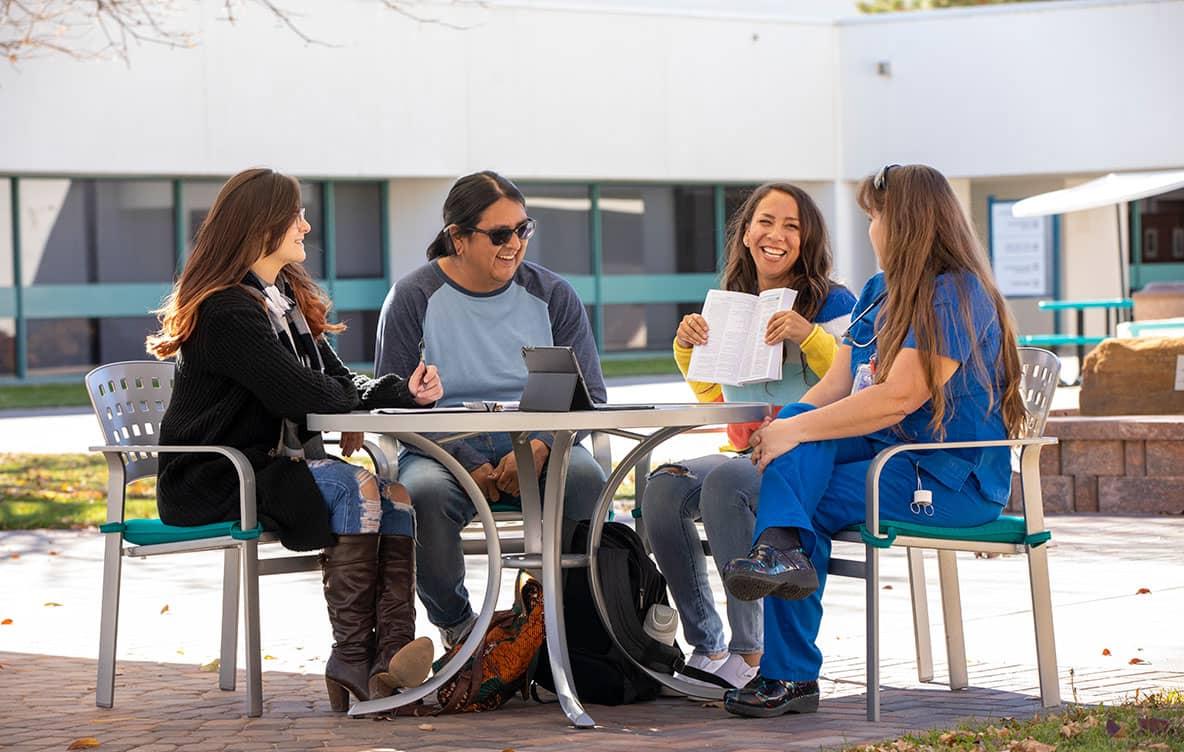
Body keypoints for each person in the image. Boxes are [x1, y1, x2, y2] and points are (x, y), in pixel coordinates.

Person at [720, 164, 1027, 717]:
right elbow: (836, 387)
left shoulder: (957, 294)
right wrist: (785, 427)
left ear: (903, 223)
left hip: (944, 475)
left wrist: (794, 429)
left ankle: (787, 668)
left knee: (798, 471)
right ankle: (782, 556)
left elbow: (898, 397)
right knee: (797, 432)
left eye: (874, 216)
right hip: (886, 458)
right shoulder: (878, 290)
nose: (870, 229)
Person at [147, 168, 443, 712]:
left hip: (268, 467)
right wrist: (348, 400)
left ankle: (390, 655)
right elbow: (298, 393)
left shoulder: (281, 298)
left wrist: (400, 390)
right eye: (296, 215)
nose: (306, 225)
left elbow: (334, 379)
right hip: (217, 476)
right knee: (359, 486)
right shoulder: (228, 309)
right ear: (261, 226)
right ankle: (352, 657)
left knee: (397, 495)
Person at [375, 170, 608, 649]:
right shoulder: (413, 297)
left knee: (585, 478)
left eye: (523, 230)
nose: (515, 244)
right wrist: (467, 462)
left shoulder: (553, 294)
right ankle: (462, 632)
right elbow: (391, 404)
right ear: (458, 238)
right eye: (500, 234)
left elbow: (592, 399)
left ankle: (552, 619)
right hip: (441, 444)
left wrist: (544, 445)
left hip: (539, 437)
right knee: (422, 493)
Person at [642, 183, 856, 690]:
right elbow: (715, 398)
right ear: (745, 233)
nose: (775, 235)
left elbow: (852, 384)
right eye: (765, 221)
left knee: (727, 484)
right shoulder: (730, 305)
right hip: (746, 449)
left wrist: (809, 336)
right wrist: (687, 345)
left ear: (809, 239)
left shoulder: (836, 301)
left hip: (804, 461)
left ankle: (751, 651)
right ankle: (708, 644)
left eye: (791, 225)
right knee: (664, 485)